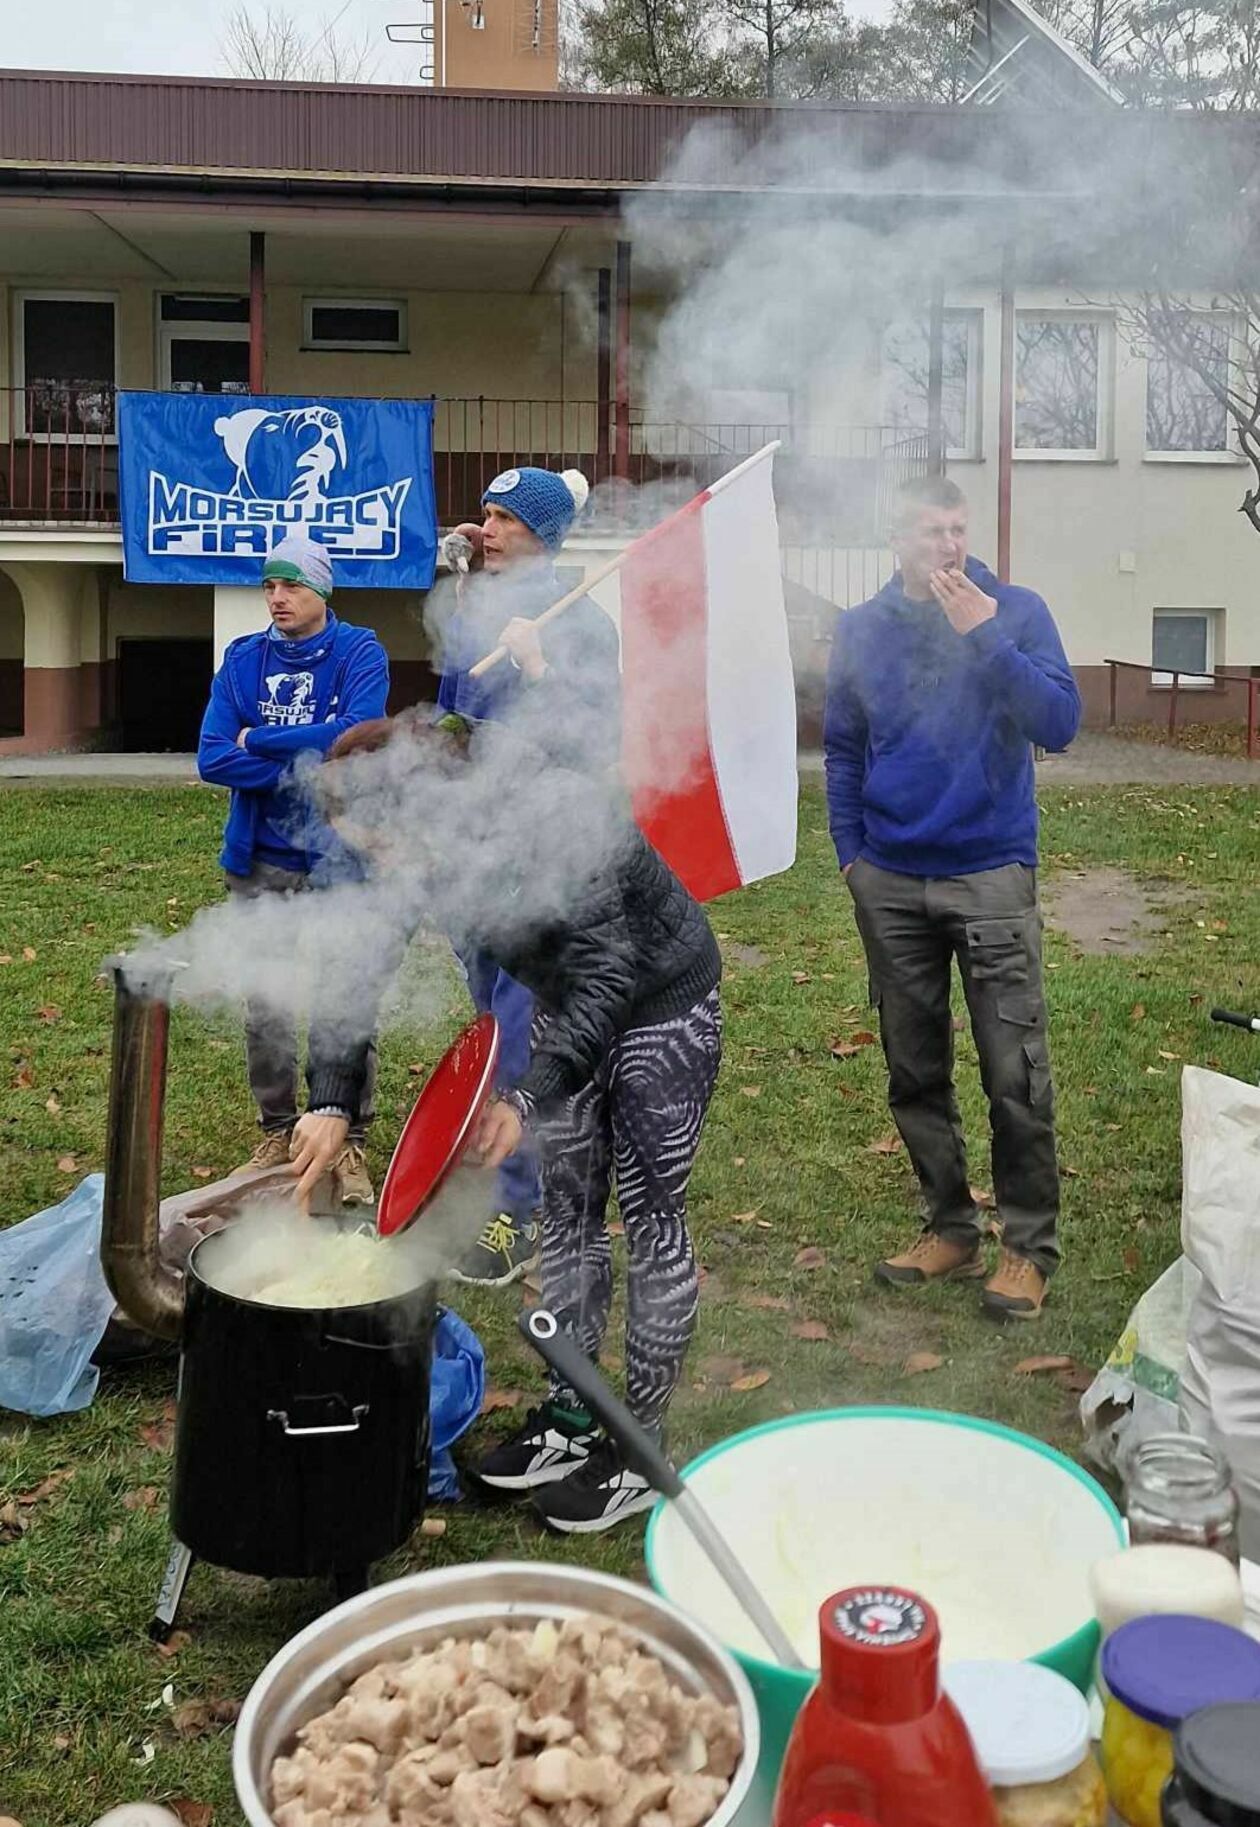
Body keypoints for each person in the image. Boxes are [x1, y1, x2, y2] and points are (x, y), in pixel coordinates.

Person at [289, 715, 722, 1534]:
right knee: (567, 1212)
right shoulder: (428, 840)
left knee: (650, 1217)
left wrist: (528, 1097)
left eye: (384, 847)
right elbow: (357, 965)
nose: (385, 867)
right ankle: (572, 1415)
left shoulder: (552, 808)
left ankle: (640, 1448)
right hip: (572, 1000)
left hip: (660, 1004)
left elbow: (608, 974)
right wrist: (332, 1102)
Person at [824, 475, 1081, 1322]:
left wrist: (986, 638)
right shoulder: (861, 630)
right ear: (897, 539)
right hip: (891, 879)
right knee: (914, 1067)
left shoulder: (1015, 611)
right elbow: (843, 748)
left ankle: (1027, 1248)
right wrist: (853, 855)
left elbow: (1059, 723)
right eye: (932, 531)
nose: (950, 545)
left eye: (959, 528)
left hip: (991, 872)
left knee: (1015, 1069)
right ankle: (950, 1227)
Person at [431, 466, 621, 1286]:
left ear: (543, 533)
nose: (488, 529)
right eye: (485, 513)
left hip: (540, 853)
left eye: (506, 518)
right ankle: (496, 1163)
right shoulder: (476, 608)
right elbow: (454, 721)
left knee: (519, 1030)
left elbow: (600, 740)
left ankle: (523, 1207)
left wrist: (541, 667)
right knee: (488, 1023)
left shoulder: (581, 618)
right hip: (474, 847)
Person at [196, 532, 390, 1204]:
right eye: (270, 585)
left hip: (340, 856)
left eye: (293, 584)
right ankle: (278, 1130)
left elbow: (356, 737)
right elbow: (212, 757)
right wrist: (310, 760)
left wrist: (259, 738)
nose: (277, 597)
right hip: (261, 858)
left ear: (322, 589)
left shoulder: (359, 652)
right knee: (267, 1004)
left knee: (346, 997)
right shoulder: (243, 659)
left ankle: (348, 1136)